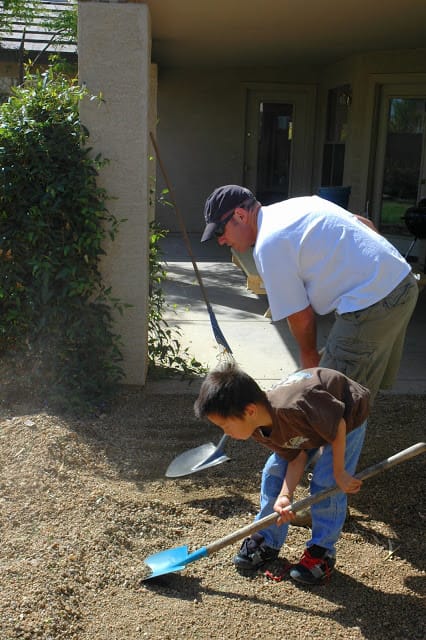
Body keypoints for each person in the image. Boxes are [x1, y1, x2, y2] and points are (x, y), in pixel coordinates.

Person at [200, 184, 418, 571]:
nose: (221, 242)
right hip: (399, 284)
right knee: (342, 403)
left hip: (372, 303)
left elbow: (300, 318)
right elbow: (363, 224)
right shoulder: (296, 206)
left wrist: (308, 372)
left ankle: (317, 538)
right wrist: (377, 272)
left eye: (221, 232)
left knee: (338, 413)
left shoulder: (268, 245)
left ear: (239, 215)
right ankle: (301, 512)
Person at [194, 361, 370, 585]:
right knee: (273, 471)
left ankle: (322, 551)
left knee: (327, 482)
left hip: (345, 414)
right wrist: (285, 496)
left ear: (249, 411)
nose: (225, 433)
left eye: (225, 426)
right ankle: (268, 539)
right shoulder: (259, 428)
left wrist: (340, 471)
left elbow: (338, 426)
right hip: (309, 424)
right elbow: (296, 457)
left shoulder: (292, 408)